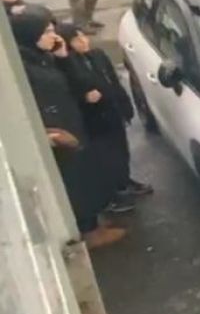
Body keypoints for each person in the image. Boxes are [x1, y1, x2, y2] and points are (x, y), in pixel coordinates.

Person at [12, 13, 122, 248]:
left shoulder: (45, 57)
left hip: (72, 123)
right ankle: (88, 231)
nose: (54, 36)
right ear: (31, 35)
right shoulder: (24, 66)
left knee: (85, 175)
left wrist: (63, 58)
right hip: (57, 132)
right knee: (74, 181)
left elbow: (75, 83)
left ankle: (92, 224)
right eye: (47, 32)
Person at [57, 23, 151, 211]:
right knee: (105, 156)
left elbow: (113, 81)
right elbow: (72, 88)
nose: (83, 41)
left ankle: (124, 182)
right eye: (76, 39)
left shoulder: (97, 55)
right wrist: (84, 97)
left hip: (113, 112)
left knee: (121, 151)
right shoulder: (69, 65)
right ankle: (112, 193)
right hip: (95, 120)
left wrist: (125, 106)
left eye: (83, 36)